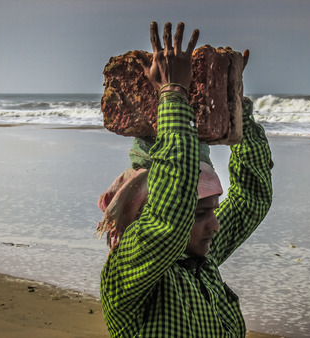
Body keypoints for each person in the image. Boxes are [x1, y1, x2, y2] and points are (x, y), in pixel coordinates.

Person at [98, 21, 273, 337]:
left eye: (212, 210)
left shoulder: (200, 257)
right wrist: (173, 92)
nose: (215, 224)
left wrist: (235, 104)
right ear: (143, 214)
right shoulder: (129, 270)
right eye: (200, 213)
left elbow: (252, 196)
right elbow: (170, 219)